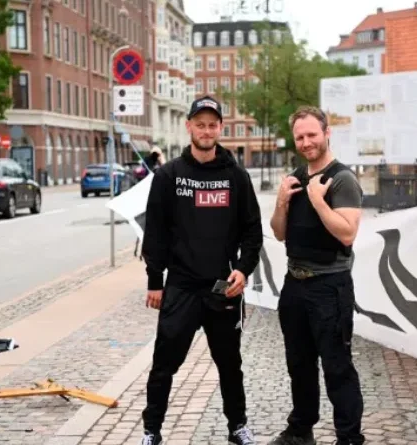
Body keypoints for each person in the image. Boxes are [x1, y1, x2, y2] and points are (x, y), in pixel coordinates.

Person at [139, 95, 263, 445]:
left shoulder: (236, 177)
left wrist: (243, 269)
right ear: (189, 126)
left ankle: (238, 426)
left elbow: (252, 232)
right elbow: (157, 233)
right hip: (180, 285)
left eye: (212, 125)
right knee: (164, 363)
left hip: (222, 287)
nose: (206, 131)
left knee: (229, 364)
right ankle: (152, 431)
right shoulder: (168, 176)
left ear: (220, 128)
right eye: (200, 124)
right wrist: (154, 281)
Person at [268, 105, 365, 445]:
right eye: (300, 137)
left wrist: (319, 202)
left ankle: (349, 438)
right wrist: (281, 202)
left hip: (329, 287)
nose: (306, 142)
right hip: (294, 284)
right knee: (299, 364)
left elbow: (348, 234)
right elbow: (279, 233)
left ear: (326, 133)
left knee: (337, 366)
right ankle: (301, 429)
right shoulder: (295, 178)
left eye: (312, 134)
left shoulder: (342, 179)